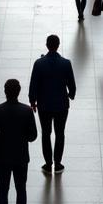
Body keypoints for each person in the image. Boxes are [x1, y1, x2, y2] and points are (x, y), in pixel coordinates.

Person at [29, 35, 76, 174]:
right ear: (58, 45)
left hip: (44, 105)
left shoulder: (39, 63)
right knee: (60, 133)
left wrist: (33, 101)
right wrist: (71, 95)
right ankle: (58, 162)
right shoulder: (66, 63)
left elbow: (34, 84)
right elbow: (72, 85)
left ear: (46, 45)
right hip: (61, 105)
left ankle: (48, 163)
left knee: (46, 133)